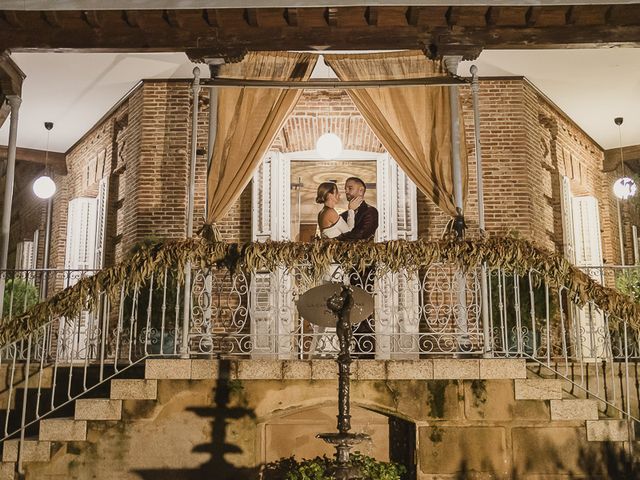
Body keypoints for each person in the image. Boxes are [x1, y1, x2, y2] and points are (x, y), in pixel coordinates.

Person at [336, 177, 378, 241]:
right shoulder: (343, 215)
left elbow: (363, 235)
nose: (346, 191)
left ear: (361, 190)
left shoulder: (371, 211)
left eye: (350, 188)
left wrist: (339, 237)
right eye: (345, 189)